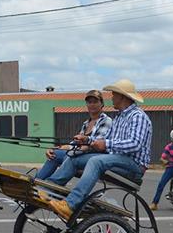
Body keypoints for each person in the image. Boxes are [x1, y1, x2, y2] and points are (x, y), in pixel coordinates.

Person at [45, 79, 151, 221]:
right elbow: (106, 139)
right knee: (74, 157)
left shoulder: (138, 116)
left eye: (114, 94)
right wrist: (87, 140)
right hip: (117, 160)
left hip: (133, 165)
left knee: (96, 161)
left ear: (122, 97)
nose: (112, 97)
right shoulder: (119, 117)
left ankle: (70, 205)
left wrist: (105, 144)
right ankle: (49, 190)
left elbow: (135, 144)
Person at [36, 89, 112, 180]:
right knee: (54, 154)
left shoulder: (106, 121)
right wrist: (56, 148)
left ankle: (50, 185)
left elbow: (96, 145)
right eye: (89, 102)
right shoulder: (86, 124)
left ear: (102, 104)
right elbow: (74, 144)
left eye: (95, 102)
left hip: (94, 157)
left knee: (69, 156)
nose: (92, 104)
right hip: (80, 153)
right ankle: (36, 182)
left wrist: (73, 150)